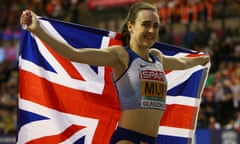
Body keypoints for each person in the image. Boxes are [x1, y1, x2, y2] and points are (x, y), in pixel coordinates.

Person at [20, 2, 210, 144]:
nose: (151, 30)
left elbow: (182, 62)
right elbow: (74, 54)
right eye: (145, 24)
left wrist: (201, 60)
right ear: (130, 26)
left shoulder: (157, 57)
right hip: (127, 139)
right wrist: (38, 30)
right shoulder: (121, 56)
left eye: (155, 26)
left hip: (151, 140)